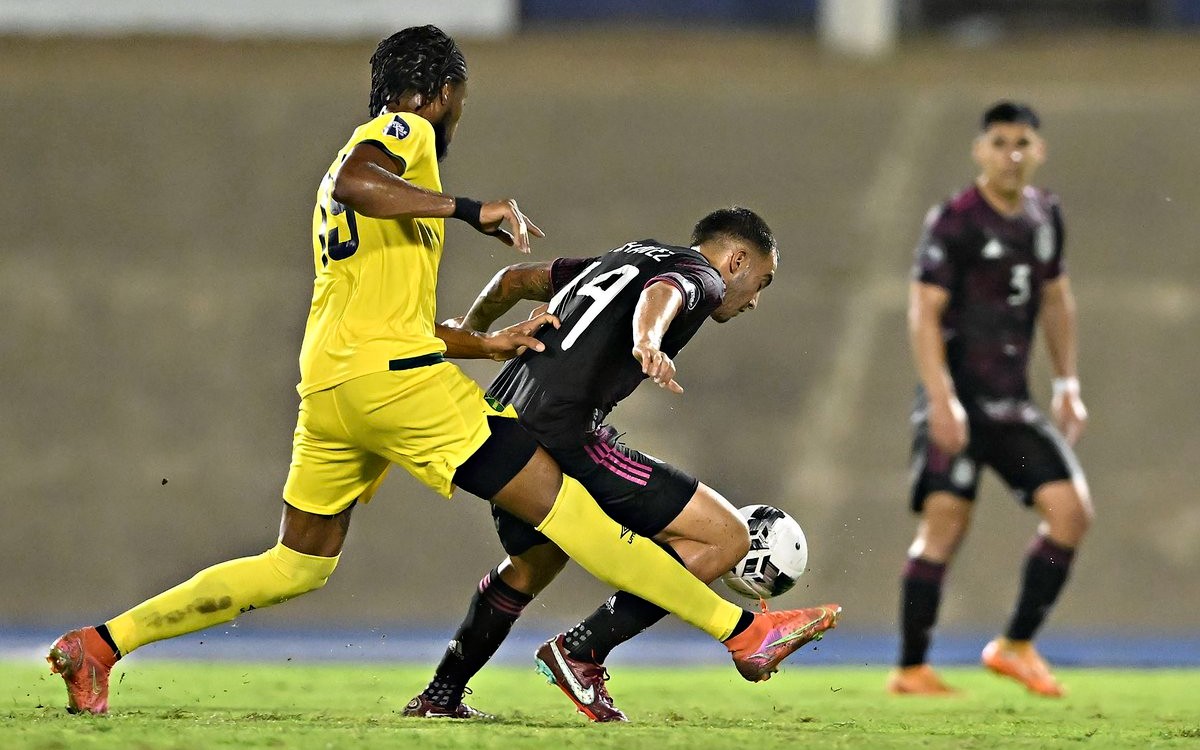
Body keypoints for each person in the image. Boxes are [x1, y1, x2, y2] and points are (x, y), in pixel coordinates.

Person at [47, 25, 840, 716]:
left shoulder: (395, 199)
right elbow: (358, 181)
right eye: (459, 101)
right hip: (397, 386)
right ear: (441, 90)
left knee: (294, 566)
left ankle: (102, 644)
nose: (457, 116)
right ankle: (746, 631)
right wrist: (471, 208)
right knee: (581, 521)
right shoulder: (405, 136)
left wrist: (486, 345)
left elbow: (392, 314)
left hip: (334, 385)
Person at [404, 207, 841, 722]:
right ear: (737, 259)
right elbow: (668, 293)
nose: (757, 299)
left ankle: (440, 695)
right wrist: (647, 340)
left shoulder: (623, 257)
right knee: (726, 538)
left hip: (502, 423)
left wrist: (472, 331)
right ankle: (581, 651)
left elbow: (513, 280)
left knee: (533, 563)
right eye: (761, 281)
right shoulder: (703, 276)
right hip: (564, 431)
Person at [887, 101, 1093, 698]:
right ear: (980, 151)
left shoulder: (1044, 214)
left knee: (1071, 514)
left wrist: (1068, 383)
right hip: (957, 399)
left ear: (1039, 150)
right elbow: (923, 312)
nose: (1012, 154)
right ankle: (911, 667)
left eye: (1023, 142)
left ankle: (1015, 646)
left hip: (1010, 402)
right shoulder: (955, 221)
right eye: (1000, 142)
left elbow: (1056, 298)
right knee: (945, 524)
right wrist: (941, 398)